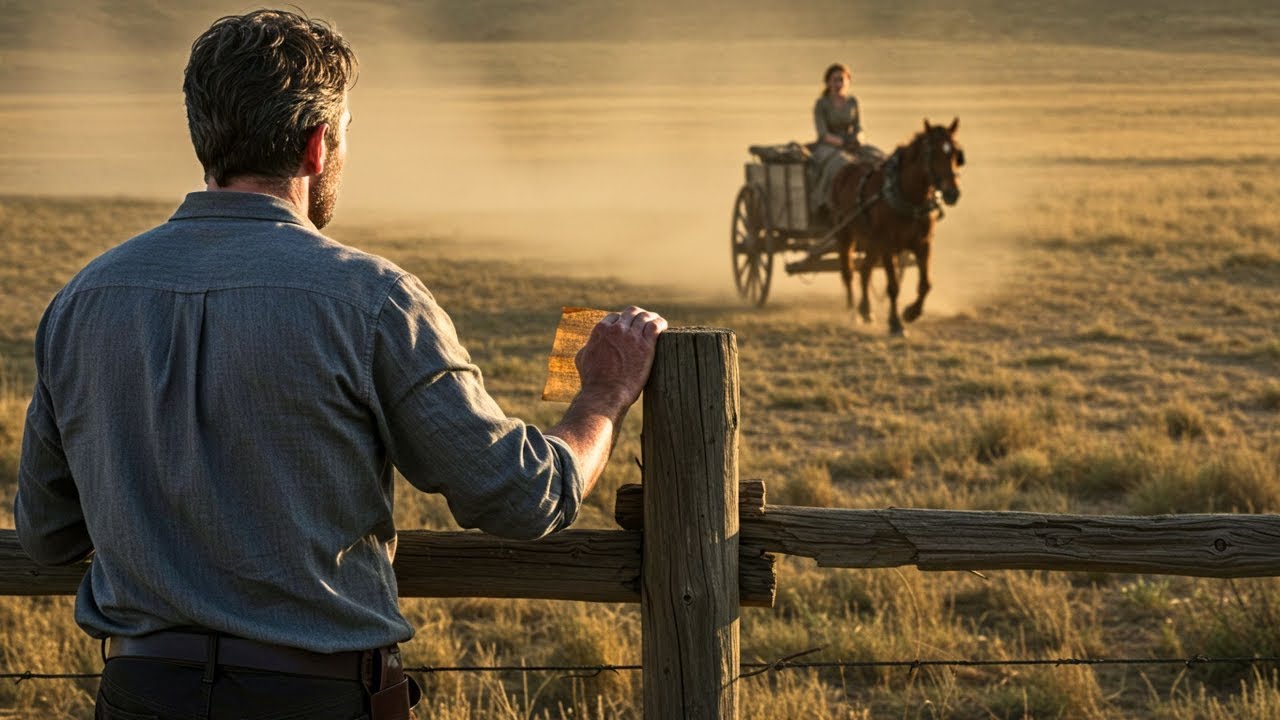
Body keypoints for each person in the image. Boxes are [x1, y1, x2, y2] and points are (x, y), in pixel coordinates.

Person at [13, 9, 666, 720]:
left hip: (140, 695)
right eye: (347, 131)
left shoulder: (83, 300)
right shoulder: (371, 300)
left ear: (204, 133)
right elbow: (521, 495)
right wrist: (601, 394)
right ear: (319, 144)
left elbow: (47, 536)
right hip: (313, 698)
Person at [810, 62, 883, 220]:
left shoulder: (852, 102)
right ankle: (827, 202)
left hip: (852, 143)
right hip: (828, 146)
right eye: (834, 80)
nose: (838, 84)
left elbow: (859, 127)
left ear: (848, 82)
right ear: (828, 83)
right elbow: (823, 134)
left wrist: (858, 138)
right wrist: (842, 143)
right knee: (841, 163)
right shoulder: (821, 104)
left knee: (879, 157)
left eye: (841, 80)